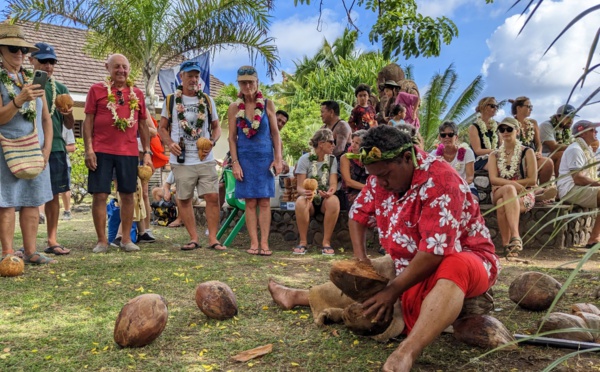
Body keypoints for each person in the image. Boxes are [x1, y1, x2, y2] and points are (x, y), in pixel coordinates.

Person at [269, 125, 499, 371]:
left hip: (466, 260)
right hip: (409, 263)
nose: (381, 182)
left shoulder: (443, 179)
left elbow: (434, 251)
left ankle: (407, 351)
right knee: (379, 272)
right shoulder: (381, 176)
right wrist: (362, 262)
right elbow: (357, 217)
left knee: (454, 264)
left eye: (386, 175)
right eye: (374, 176)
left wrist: (392, 292)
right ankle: (299, 296)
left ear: (406, 158)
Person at [83, 53, 151, 253]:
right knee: (100, 195)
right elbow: (88, 121)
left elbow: (143, 124)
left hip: (128, 151)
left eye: (125, 67)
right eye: (117, 67)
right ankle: (102, 241)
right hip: (101, 149)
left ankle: (126, 240)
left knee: (128, 194)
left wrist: (146, 152)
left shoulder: (136, 93)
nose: (121, 70)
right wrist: (89, 149)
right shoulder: (96, 90)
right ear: (108, 68)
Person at [0, 24, 56, 264]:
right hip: (7, 150)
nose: (20, 54)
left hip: (35, 150)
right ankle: (8, 254)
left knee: (33, 200)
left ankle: (31, 252)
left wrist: (46, 151)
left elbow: (46, 120)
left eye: (23, 49)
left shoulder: (33, 80)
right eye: (14, 49)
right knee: (7, 202)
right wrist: (19, 100)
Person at [158, 60, 222, 251]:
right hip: (182, 158)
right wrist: (170, 144)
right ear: (181, 77)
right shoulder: (171, 100)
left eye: (196, 76)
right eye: (190, 76)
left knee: (212, 196)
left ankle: (213, 238)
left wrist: (212, 142)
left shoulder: (208, 101)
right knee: (184, 199)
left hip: (205, 157)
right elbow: (161, 128)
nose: (194, 79)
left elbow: (217, 128)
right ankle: (194, 238)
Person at [227, 65, 282, 256]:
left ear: (257, 82)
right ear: (239, 85)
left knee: (265, 202)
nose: (248, 85)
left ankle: (265, 243)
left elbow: (275, 134)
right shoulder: (234, 108)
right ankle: (253, 243)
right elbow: (232, 138)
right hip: (245, 159)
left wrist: (278, 159)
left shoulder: (268, 104)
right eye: (243, 82)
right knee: (250, 202)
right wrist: (235, 163)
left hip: (264, 158)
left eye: (251, 81)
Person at [29, 42, 74, 256]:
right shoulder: (23, 84)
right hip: (26, 147)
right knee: (26, 196)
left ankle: (52, 239)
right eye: (43, 61)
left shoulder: (61, 88)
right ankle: (24, 244)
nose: (48, 66)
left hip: (55, 146)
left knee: (54, 194)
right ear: (31, 60)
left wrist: (68, 112)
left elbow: (68, 124)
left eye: (52, 62)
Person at [488, 117, 537, 257]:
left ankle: (506, 246)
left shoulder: (527, 152)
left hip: (524, 194)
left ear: (517, 130)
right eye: (502, 129)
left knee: (502, 203)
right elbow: (493, 179)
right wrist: (513, 184)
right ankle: (516, 237)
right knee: (508, 190)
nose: (505, 132)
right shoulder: (494, 155)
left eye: (509, 129)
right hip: (499, 190)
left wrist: (515, 186)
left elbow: (532, 180)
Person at [293, 129, 340, 255]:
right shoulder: (305, 159)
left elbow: (333, 183)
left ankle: (326, 243)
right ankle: (303, 242)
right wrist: (305, 193)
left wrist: (330, 192)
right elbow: (299, 187)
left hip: (325, 199)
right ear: (321, 143)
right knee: (300, 201)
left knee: (334, 201)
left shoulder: (331, 160)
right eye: (331, 142)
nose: (334, 145)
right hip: (310, 200)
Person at [557, 120, 600, 248]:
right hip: (570, 190)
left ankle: (595, 238)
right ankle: (594, 239)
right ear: (582, 133)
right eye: (592, 130)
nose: (596, 132)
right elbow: (578, 178)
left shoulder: (586, 149)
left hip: (579, 188)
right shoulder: (575, 149)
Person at [510, 96, 554, 185]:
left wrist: (539, 152)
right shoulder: (511, 123)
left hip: (533, 156)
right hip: (517, 158)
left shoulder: (533, 123)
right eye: (529, 107)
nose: (531, 109)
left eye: (531, 107)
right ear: (519, 108)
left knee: (548, 162)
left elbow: (538, 143)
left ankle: (542, 190)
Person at [432, 121, 478, 199]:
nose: (447, 137)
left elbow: (470, 178)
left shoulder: (467, 152)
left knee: (472, 200)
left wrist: (455, 187)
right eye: (443, 135)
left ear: (456, 137)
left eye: (450, 135)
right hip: (442, 188)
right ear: (440, 138)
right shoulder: (434, 155)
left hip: (466, 187)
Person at [539, 104, 578, 177]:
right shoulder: (546, 125)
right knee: (562, 154)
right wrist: (576, 146)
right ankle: (560, 183)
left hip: (555, 154)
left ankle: (576, 180)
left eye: (572, 117)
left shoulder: (567, 128)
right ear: (557, 116)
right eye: (567, 117)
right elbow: (553, 147)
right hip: (543, 155)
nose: (571, 120)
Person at [469, 97, 500, 171]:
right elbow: (478, 150)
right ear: (483, 107)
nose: (495, 108)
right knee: (499, 167)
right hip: (480, 160)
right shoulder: (474, 127)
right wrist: (496, 151)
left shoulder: (498, 125)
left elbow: (501, 145)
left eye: (497, 106)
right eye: (492, 106)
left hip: (497, 157)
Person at [340, 130, 368, 206]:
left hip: (367, 191)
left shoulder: (369, 157)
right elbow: (348, 182)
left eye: (357, 143)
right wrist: (369, 189)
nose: (353, 145)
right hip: (350, 192)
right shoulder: (346, 157)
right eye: (352, 142)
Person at [60, 126, 75, 220]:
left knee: (64, 188)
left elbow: (72, 147)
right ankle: (41, 214)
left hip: (63, 162)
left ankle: (67, 211)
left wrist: (56, 148)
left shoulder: (66, 127)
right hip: (44, 161)